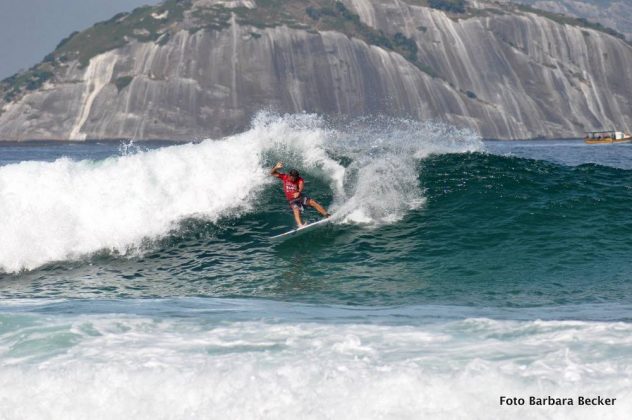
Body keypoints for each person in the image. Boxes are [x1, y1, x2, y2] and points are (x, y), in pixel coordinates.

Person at [271, 162, 331, 227]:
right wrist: (276, 167)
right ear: (289, 175)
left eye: (296, 177)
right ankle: (300, 225)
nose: (294, 179)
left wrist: (298, 192)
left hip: (300, 197)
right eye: (293, 177)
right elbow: (272, 173)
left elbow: (301, 185)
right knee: (296, 210)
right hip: (292, 200)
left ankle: (327, 215)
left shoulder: (299, 179)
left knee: (313, 202)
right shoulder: (285, 177)